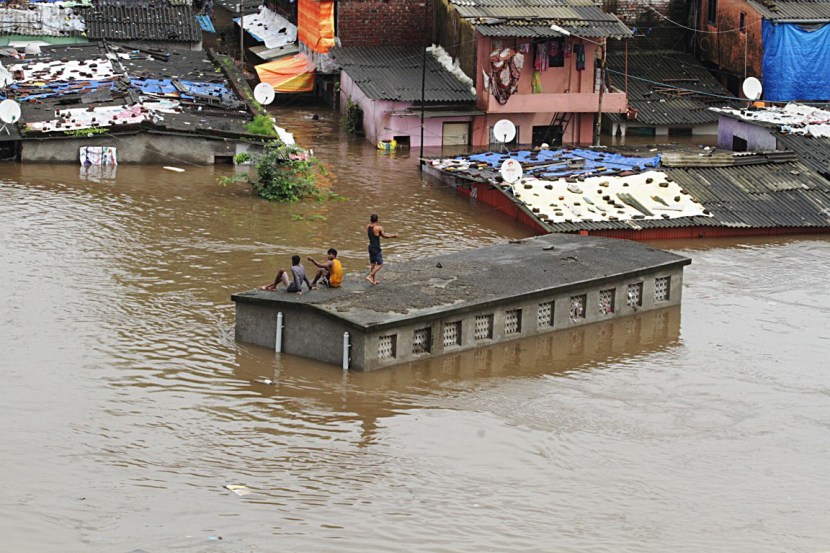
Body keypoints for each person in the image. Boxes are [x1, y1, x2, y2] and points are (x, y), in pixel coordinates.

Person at [366, 213, 398, 285]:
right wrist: (393, 236)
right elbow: (384, 236)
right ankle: (369, 276)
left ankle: (374, 280)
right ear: (377, 220)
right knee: (380, 264)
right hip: (376, 248)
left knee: (373, 264)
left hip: (370, 247)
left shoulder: (368, 226)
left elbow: (374, 235)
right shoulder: (378, 228)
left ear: (370, 219)